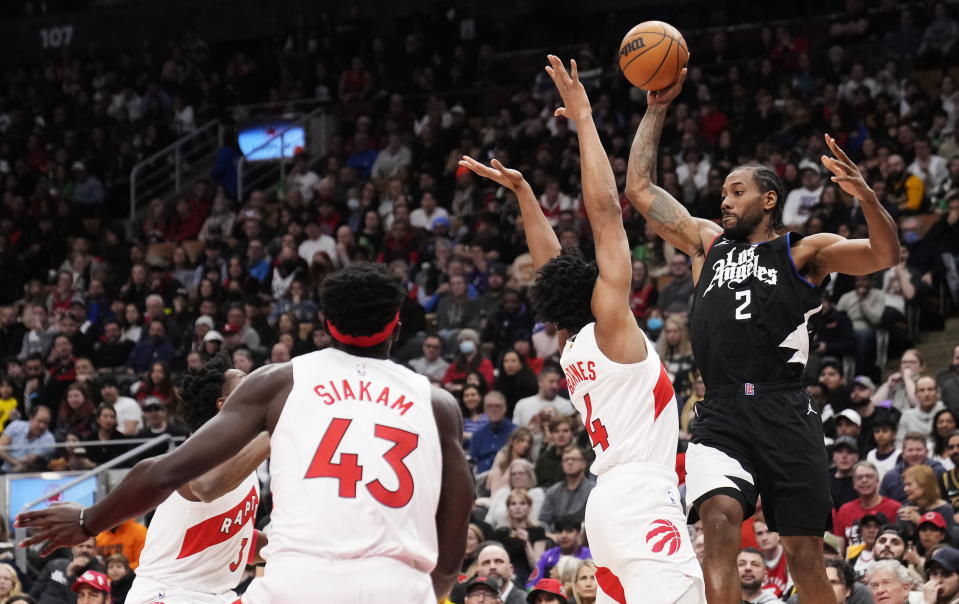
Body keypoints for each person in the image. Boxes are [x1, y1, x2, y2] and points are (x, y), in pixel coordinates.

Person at [17, 263, 473, 603]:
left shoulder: (282, 382)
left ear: (325, 324)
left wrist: (87, 523)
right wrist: (433, 589)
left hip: (300, 583)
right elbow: (459, 508)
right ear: (397, 324)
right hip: (396, 584)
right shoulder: (437, 402)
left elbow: (161, 472)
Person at [628, 47, 900, 603]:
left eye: (737, 192)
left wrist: (867, 197)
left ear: (768, 199)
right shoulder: (707, 245)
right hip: (721, 411)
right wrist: (655, 110)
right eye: (723, 192)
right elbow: (640, 190)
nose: (723, 201)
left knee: (805, 556)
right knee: (721, 523)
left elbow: (884, 253)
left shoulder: (804, 252)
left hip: (785, 408)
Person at [463, 55, 703, 603]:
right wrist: (584, 120)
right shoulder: (614, 331)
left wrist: (526, 196)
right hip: (644, 499)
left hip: (608, 507)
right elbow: (606, 214)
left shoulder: (574, 347)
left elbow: (552, 266)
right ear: (596, 291)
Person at [124, 354, 270, 604]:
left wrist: (288, 543)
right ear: (224, 404)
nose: (256, 383)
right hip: (167, 594)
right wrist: (272, 428)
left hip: (215, 595)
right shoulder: (196, 453)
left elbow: (237, 542)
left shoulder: (244, 461)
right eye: (246, 382)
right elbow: (206, 486)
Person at [833, 461, 902, 555]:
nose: (864, 480)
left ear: (878, 481)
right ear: (854, 484)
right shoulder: (845, 510)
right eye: (859, 477)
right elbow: (839, 547)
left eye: (869, 476)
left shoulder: (894, 508)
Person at [528, 516, 591, 589]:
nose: (563, 535)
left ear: (578, 533)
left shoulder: (589, 556)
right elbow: (531, 584)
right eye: (559, 531)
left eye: (569, 531)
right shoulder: (547, 556)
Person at [512, 367, 574, 432]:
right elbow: (515, 431)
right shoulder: (523, 404)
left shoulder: (566, 405)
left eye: (557, 382)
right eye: (551, 381)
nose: (555, 386)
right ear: (540, 382)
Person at [0, 405, 54, 472]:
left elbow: (27, 461)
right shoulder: (16, 425)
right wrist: (14, 461)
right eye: (39, 421)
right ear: (31, 419)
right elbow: (1, 448)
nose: (42, 425)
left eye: (45, 423)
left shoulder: (49, 439)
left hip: (30, 474)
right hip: (5, 469)